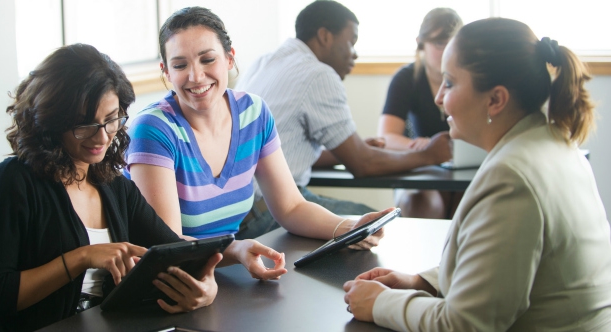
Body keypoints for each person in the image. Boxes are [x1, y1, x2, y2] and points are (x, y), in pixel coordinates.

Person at [0, 44, 286, 331]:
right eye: (85, 125)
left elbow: (171, 250)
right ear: (50, 122)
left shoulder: (111, 183)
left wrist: (206, 286)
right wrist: (82, 257)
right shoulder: (10, 184)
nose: (103, 137)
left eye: (112, 119)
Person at [343, 18, 611, 331]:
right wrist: (422, 282)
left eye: (451, 83)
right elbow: (503, 266)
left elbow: (465, 325)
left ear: (496, 99)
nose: (439, 98)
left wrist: (380, 304)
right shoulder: (552, 142)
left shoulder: (512, 178)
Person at [124, 6, 392, 248]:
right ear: (166, 72)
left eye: (208, 60)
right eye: (180, 65)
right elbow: (167, 244)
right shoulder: (152, 129)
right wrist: (237, 251)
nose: (196, 76)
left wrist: (346, 228)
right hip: (168, 279)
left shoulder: (253, 112)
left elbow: (291, 206)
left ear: (229, 59)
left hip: (219, 270)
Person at [234, 1, 452, 236]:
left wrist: (352, 148)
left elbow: (283, 153)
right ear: (325, 36)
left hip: (236, 212)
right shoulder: (318, 74)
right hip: (269, 211)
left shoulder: (263, 62)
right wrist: (429, 154)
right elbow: (363, 165)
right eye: (352, 42)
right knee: (384, 226)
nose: (355, 53)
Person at [378, 8, 464, 219]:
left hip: (462, 172)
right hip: (422, 171)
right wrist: (425, 147)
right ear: (421, 43)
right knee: (421, 202)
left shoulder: (471, 79)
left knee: (469, 204)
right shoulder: (406, 78)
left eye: (452, 44)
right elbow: (386, 138)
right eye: (439, 44)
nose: (446, 52)